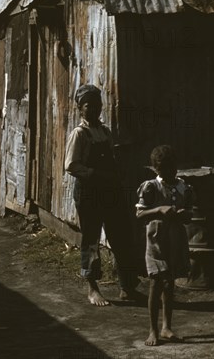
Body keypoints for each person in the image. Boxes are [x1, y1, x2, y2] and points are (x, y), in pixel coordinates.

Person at [65, 84, 139, 306]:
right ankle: (92, 288)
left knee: (121, 237)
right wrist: (94, 174)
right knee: (91, 240)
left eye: (97, 105)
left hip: (110, 191)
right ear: (80, 108)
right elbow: (70, 165)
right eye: (89, 105)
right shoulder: (79, 134)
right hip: (89, 192)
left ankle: (127, 286)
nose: (94, 109)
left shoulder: (105, 132)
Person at [136, 145, 193, 346]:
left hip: (175, 240)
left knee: (169, 283)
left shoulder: (183, 187)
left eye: (172, 170)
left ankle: (167, 326)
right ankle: (153, 330)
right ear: (156, 170)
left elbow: (190, 214)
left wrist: (185, 215)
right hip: (156, 242)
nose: (169, 174)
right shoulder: (151, 187)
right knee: (156, 282)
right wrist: (159, 209)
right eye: (164, 171)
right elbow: (140, 214)